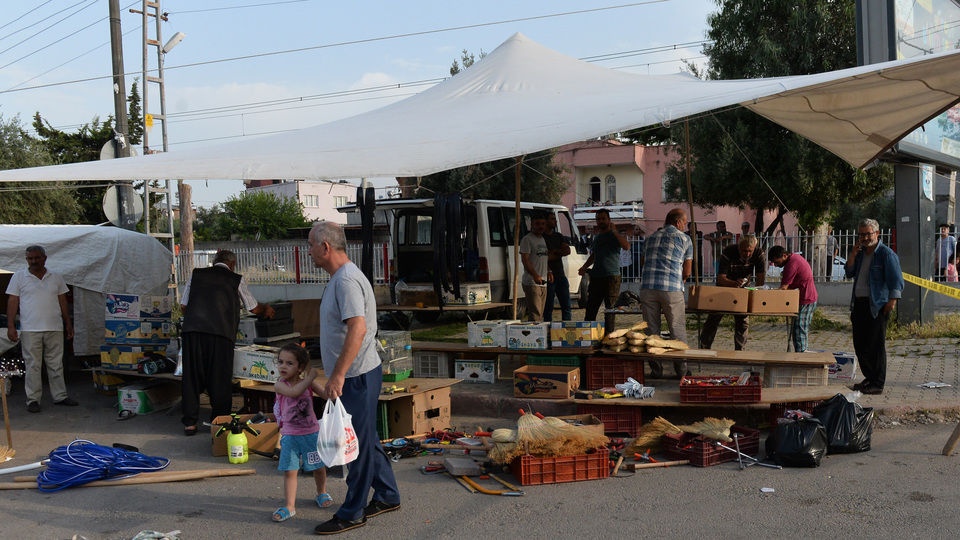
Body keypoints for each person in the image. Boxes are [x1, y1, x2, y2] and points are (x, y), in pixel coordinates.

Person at [310, 221, 400, 535]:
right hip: (359, 372)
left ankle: (352, 512)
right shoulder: (341, 277)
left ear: (325, 247)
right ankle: (388, 494)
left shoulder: (346, 280)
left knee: (356, 445)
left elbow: (358, 329)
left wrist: (337, 375)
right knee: (366, 438)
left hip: (356, 375)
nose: (309, 252)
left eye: (311, 246)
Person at [180, 250, 275, 436]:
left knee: (191, 376)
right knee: (219, 377)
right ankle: (219, 422)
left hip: (192, 331)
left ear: (215, 261)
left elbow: (184, 306)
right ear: (232, 264)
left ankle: (189, 424)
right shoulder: (235, 278)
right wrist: (266, 309)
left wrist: (198, 321)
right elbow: (253, 307)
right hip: (220, 333)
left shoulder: (196, 274)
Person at [5, 245, 76, 413]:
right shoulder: (18, 277)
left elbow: (63, 301)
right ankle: (33, 400)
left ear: (45, 258)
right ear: (26, 260)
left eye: (37, 258)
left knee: (56, 364)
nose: (33, 261)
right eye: (30, 258)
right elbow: (12, 302)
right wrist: (10, 326)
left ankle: (60, 396)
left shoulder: (56, 276)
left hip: (54, 327)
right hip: (30, 329)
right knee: (32, 366)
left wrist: (68, 323)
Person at [271, 343, 331, 523]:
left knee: (318, 467)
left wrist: (335, 381)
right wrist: (311, 376)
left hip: (311, 434)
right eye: (281, 362)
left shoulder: (309, 383)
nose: (283, 366)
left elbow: (327, 396)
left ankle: (321, 492)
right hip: (290, 436)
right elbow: (295, 391)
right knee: (290, 471)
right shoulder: (280, 385)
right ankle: (290, 506)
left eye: (289, 363)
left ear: (300, 367)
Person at [845, 219, 904, 396]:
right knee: (860, 345)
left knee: (875, 346)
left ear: (877, 234)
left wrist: (891, 303)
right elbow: (849, 273)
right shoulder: (861, 253)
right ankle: (869, 377)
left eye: (868, 234)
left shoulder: (886, 255)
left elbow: (896, 281)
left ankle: (877, 383)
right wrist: (852, 256)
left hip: (877, 306)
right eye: (861, 234)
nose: (864, 237)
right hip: (859, 304)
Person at [639, 209, 693, 378]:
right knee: (676, 329)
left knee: (651, 331)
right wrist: (679, 280)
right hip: (671, 289)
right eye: (684, 223)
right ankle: (682, 371)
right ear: (678, 222)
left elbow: (643, 262)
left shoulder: (649, 238)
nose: (684, 226)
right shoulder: (685, 239)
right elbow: (687, 272)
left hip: (647, 288)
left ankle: (656, 370)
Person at [699, 235, 766, 351]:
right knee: (713, 318)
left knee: (742, 320)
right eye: (744, 251)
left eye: (750, 251)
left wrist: (756, 294)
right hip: (725, 287)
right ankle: (704, 346)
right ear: (739, 247)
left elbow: (761, 278)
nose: (748, 254)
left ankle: (740, 351)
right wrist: (734, 283)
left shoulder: (758, 253)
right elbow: (720, 278)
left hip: (744, 289)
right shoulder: (729, 251)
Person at [579, 209, 630, 321]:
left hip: (612, 277)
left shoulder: (614, 235)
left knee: (610, 310)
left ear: (609, 220)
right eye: (598, 219)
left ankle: (609, 335)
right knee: (591, 308)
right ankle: (589, 332)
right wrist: (584, 267)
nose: (600, 221)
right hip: (596, 276)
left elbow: (626, 246)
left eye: (603, 218)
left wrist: (615, 231)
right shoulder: (597, 237)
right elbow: (594, 255)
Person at [768, 246, 818, 353]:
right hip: (801, 298)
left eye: (777, 262)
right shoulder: (794, 259)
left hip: (806, 299)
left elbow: (784, 288)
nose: (776, 265)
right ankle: (799, 354)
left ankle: (801, 356)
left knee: (799, 328)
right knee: (797, 329)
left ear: (784, 256)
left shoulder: (791, 264)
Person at [520, 213, 551, 322]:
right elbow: (524, 259)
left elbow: (543, 257)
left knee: (540, 314)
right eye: (537, 224)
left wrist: (549, 271)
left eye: (542, 224)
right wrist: (535, 275)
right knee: (535, 314)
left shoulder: (542, 239)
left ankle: (536, 336)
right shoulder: (527, 239)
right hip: (532, 282)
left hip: (543, 281)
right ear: (532, 225)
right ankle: (534, 337)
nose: (540, 226)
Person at [543, 213, 572, 322]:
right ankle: (548, 331)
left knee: (566, 306)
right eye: (552, 219)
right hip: (549, 277)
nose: (555, 221)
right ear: (546, 221)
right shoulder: (542, 238)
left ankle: (567, 328)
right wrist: (558, 252)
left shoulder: (559, 236)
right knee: (548, 308)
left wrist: (554, 251)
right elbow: (545, 257)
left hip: (561, 275)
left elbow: (567, 251)